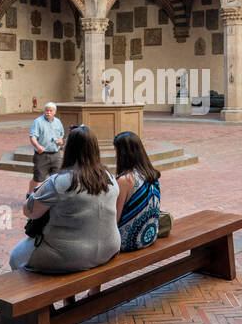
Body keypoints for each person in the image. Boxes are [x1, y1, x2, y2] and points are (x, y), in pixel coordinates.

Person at [9, 126, 121, 273]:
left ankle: (41, 294)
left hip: (69, 254)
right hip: (110, 248)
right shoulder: (110, 177)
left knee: (15, 257)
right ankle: (72, 296)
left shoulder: (59, 181)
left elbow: (30, 212)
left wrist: (40, 189)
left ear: (69, 149)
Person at [113, 131, 161, 252]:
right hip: (149, 235)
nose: (115, 156)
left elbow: (114, 220)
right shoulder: (151, 174)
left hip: (129, 242)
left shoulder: (125, 180)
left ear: (123, 154)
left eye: (116, 152)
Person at [28, 101, 65, 194]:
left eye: (50, 111)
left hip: (56, 155)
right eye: (46, 110)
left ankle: (53, 197)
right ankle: (30, 195)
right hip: (42, 155)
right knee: (37, 178)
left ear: (54, 112)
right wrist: (38, 146)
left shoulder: (58, 122)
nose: (48, 112)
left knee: (57, 178)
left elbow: (61, 134)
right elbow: (32, 137)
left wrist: (61, 141)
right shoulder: (38, 122)